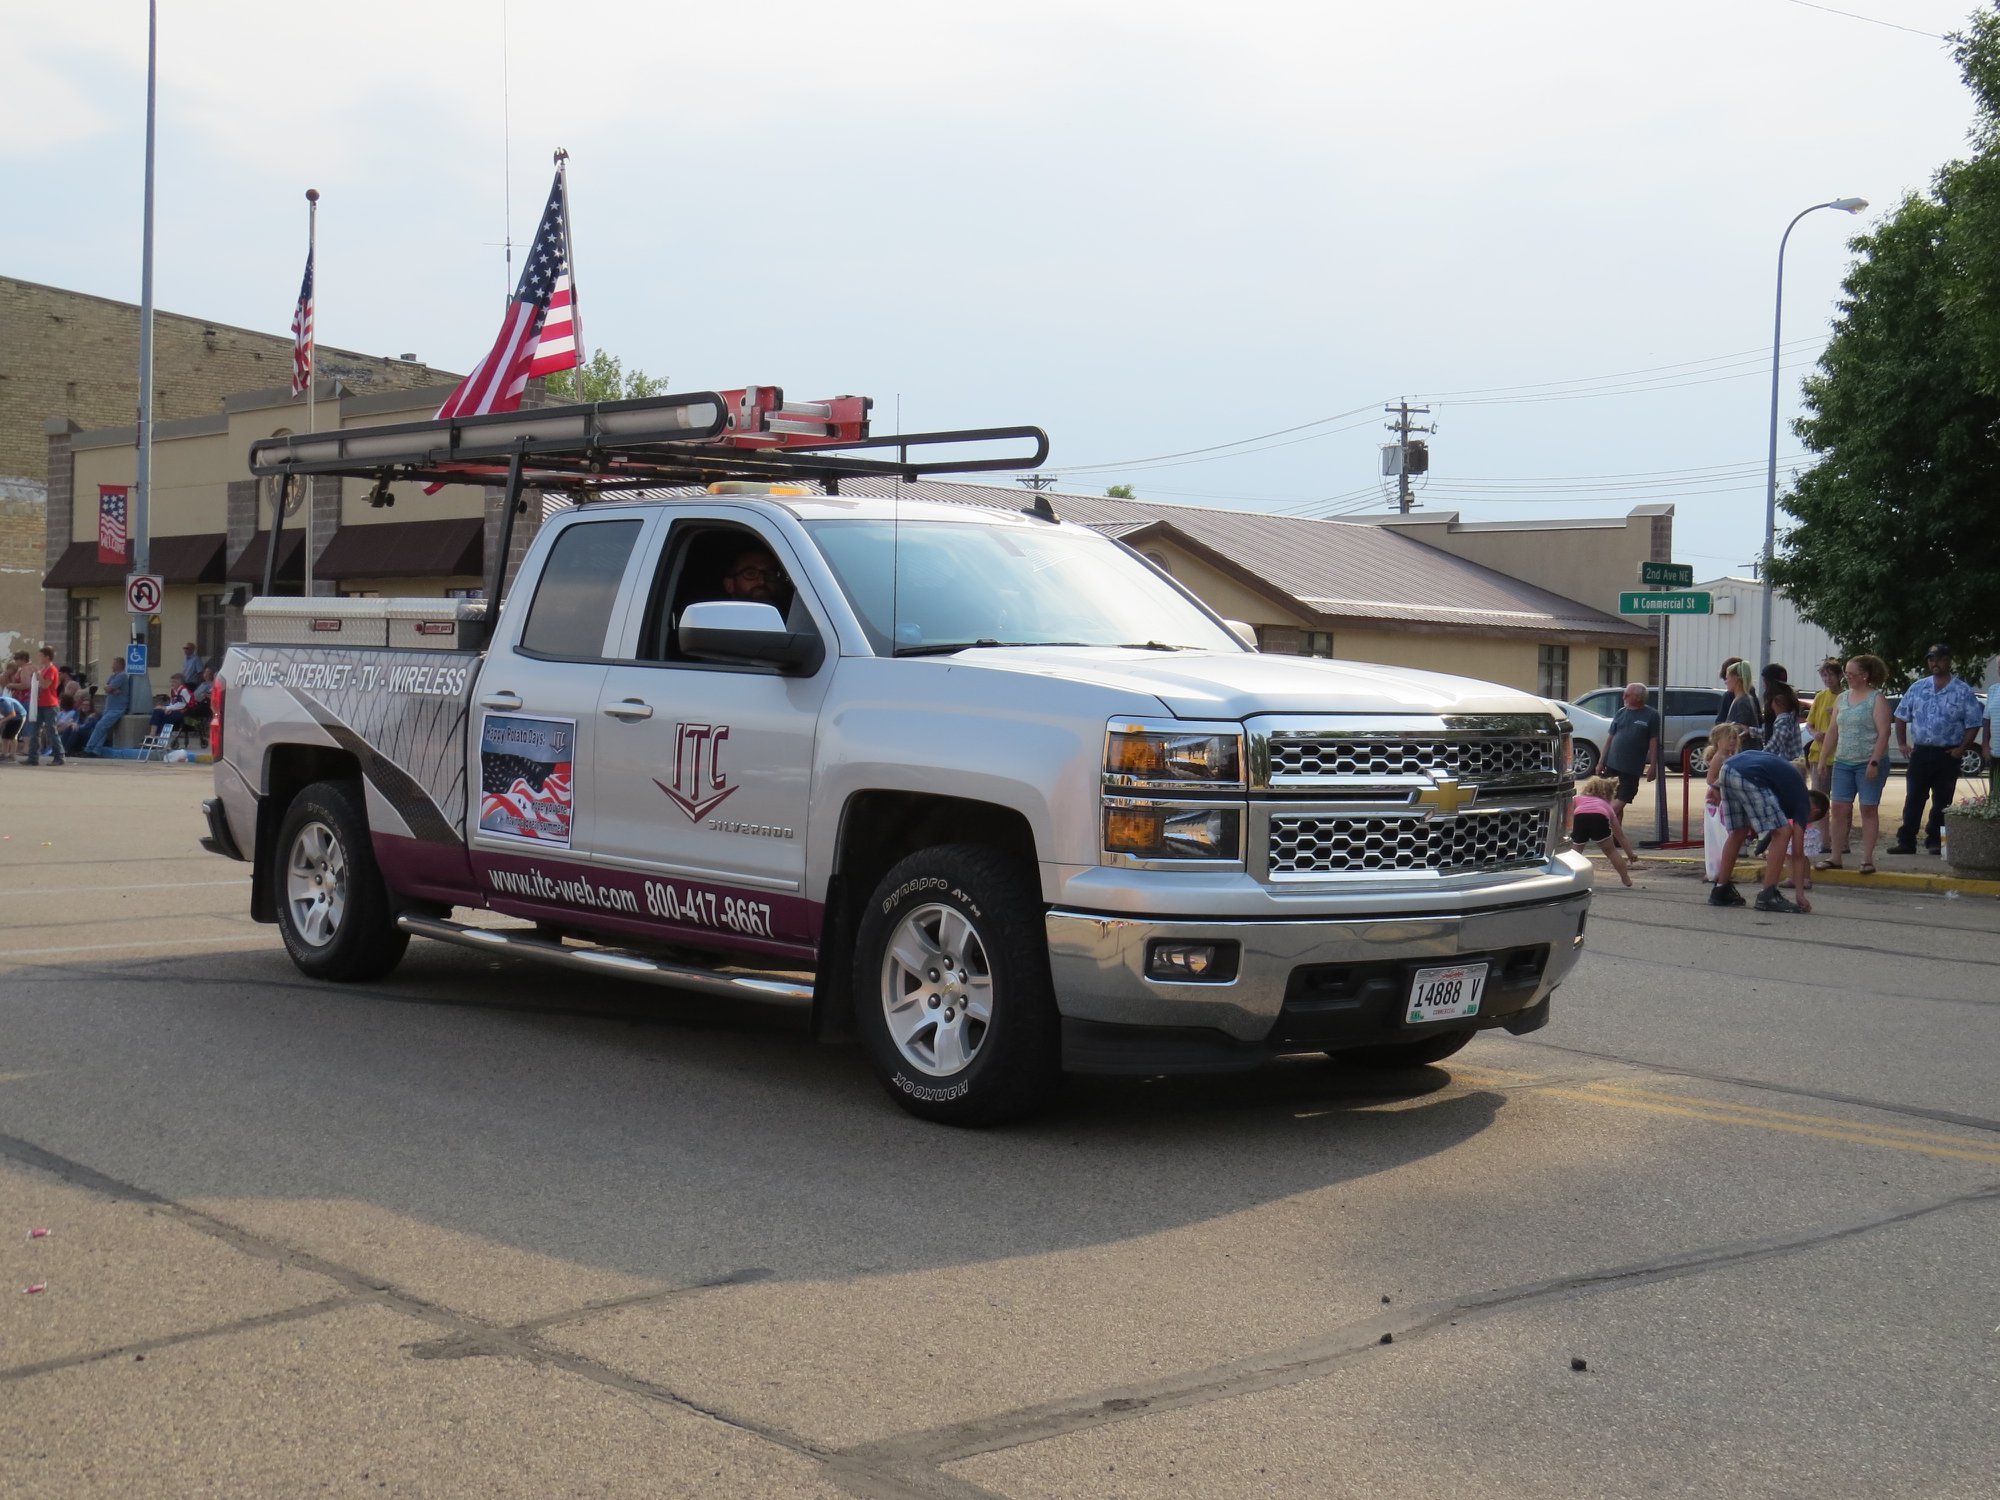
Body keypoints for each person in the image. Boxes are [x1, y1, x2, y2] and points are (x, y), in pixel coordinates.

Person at [1889, 644, 1985, 856]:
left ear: (1949, 661)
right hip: (1921, 752)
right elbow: (1901, 714)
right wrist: (1903, 743)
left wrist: (1962, 749)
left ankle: (1938, 843)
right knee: (1914, 798)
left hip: (1948, 754)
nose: (1935, 663)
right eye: (1931, 659)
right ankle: (1906, 841)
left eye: (1940, 659)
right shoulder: (1918, 688)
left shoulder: (1963, 691)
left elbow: (1973, 723)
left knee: (1943, 801)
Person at [1708, 733, 1814, 913]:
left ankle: (1721, 889)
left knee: (1739, 831)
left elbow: (1748, 761)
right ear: (1816, 810)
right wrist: (1800, 894)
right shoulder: (1803, 803)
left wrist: (1716, 786)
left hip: (1728, 770)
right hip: (1748, 775)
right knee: (1783, 831)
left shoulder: (1784, 785)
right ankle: (1768, 895)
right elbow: (1797, 853)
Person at [1815, 653, 1892, 874]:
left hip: (1868, 760)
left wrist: (1874, 762)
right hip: (1843, 761)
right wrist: (1823, 758)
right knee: (1838, 808)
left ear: (1865, 676)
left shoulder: (1877, 699)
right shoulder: (1842, 699)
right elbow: (1832, 730)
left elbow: (1884, 732)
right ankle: (1835, 855)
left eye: (1851, 674)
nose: (1847, 677)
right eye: (1846, 673)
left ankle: (1867, 859)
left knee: (1868, 808)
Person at [1601, 680, 1662, 830]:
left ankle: (1598, 819)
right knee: (1613, 800)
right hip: (1613, 763)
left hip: (1632, 767)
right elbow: (1610, 738)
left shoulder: (1651, 715)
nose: (1624, 697)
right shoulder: (1621, 712)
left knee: (1623, 799)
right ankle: (1615, 835)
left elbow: (1654, 742)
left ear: (1638, 698)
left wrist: (1653, 766)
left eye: (1627, 694)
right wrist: (1601, 761)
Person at [1570, 774, 1634, 886]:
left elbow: (1565, 813)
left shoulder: (1577, 799)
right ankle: (1625, 878)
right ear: (1609, 793)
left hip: (1580, 818)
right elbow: (1620, 835)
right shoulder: (1606, 806)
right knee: (1611, 851)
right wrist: (1630, 854)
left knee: (1575, 853)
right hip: (1599, 817)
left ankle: (1570, 878)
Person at [1804, 657, 1842, 793]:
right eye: (1824, 676)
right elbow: (1809, 723)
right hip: (1818, 753)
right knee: (1819, 796)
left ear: (1840, 676)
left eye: (1831, 675)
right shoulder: (1820, 696)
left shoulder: (1846, 697)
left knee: (1840, 798)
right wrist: (1815, 733)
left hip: (1839, 755)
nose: (1827, 679)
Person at [24, 646, 65, 767]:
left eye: (41, 655)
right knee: (35, 730)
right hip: (41, 703)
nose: (39, 658)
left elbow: (46, 685)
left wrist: (39, 675)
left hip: (50, 704)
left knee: (51, 731)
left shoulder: (51, 669)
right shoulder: (44, 669)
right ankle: (33, 757)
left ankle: (59, 756)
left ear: (47, 657)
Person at [84, 660, 131, 757]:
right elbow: (106, 687)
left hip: (117, 708)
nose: (111, 666)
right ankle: (95, 751)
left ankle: (88, 748)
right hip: (109, 707)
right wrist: (112, 690)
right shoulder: (113, 676)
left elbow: (109, 688)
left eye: (113, 664)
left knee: (100, 726)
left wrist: (110, 689)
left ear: (119, 665)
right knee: (103, 729)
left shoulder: (122, 675)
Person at [1723, 660, 1762, 744]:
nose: (1726, 682)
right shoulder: (1741, 698)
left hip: (1745, 751)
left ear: (1736, 678)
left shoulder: (1743, 701)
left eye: (1727, 678)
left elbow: (1743, 732)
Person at [1764, 680, 1803, 761]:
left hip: (1788, 764)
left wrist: (1755, 757)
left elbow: (1773, 747)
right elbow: (1772, 733)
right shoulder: (1791, 717)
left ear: (1779, 703)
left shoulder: (1783, 722)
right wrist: (1751, 731)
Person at [0, 686, 23, 763]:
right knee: (5, 736)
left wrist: (2, 721)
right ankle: (4, 754)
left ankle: (12, 756)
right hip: (9, 717)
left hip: (19, 716)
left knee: (13, 736)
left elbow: (13, 714)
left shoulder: (5, 702)